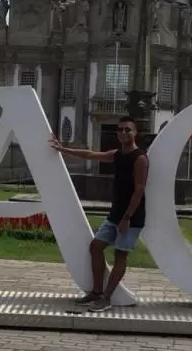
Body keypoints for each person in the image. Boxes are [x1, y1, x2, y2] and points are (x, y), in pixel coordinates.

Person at [49, 116, 148, 312]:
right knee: (95, 247)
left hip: (131, 217)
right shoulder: (118, 154)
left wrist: (127, 218)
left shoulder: (140, 158)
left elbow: (139, 190)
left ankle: (106, 298)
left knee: (120, 255)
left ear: (135, 133)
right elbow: (90, 155)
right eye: (120, 130)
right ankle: (96, 292)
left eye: (128, 130)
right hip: (115, 215)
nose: (123, 133)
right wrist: (63, 149)